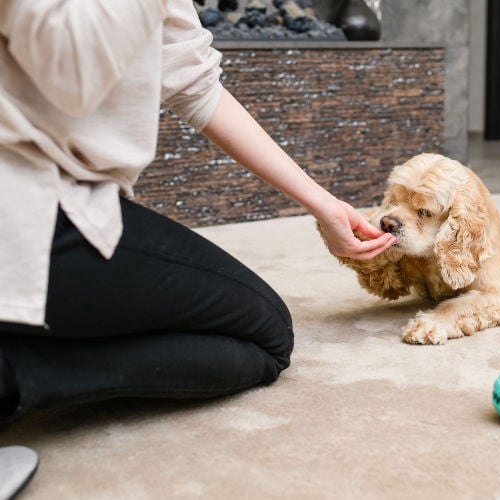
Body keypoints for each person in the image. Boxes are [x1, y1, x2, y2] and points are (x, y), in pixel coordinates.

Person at [0, 0, 395, 493]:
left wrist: (324, 205)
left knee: (267, 330)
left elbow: (195, 82)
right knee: (265, 342)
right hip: (24, 206)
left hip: (47, 198)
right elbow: (72, 75)